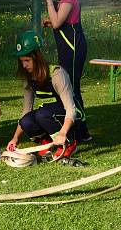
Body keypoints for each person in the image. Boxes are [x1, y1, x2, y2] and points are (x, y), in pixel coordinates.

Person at [37, 0, 91, 141]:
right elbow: (60, 22)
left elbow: (59, 22)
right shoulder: (62, 1)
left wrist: (48, 2)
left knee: (72, 89)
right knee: (68, 87)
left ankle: (82, 132)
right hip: (66, 49)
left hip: (73, 49)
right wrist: (49, 21)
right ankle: (73, 129)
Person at [6, 30, 78, 160]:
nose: (24, 65)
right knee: (26, 121)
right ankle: (46, 143)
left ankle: (69, 143)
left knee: (42, 114)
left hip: (67, 119)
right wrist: (15, 138)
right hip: (47, 114)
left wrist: (63, 133)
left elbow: (71, 109)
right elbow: (26, 111)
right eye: (21, 61)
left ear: (37, 57)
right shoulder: (28, 78)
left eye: (27, 60)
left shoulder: (57, 73)